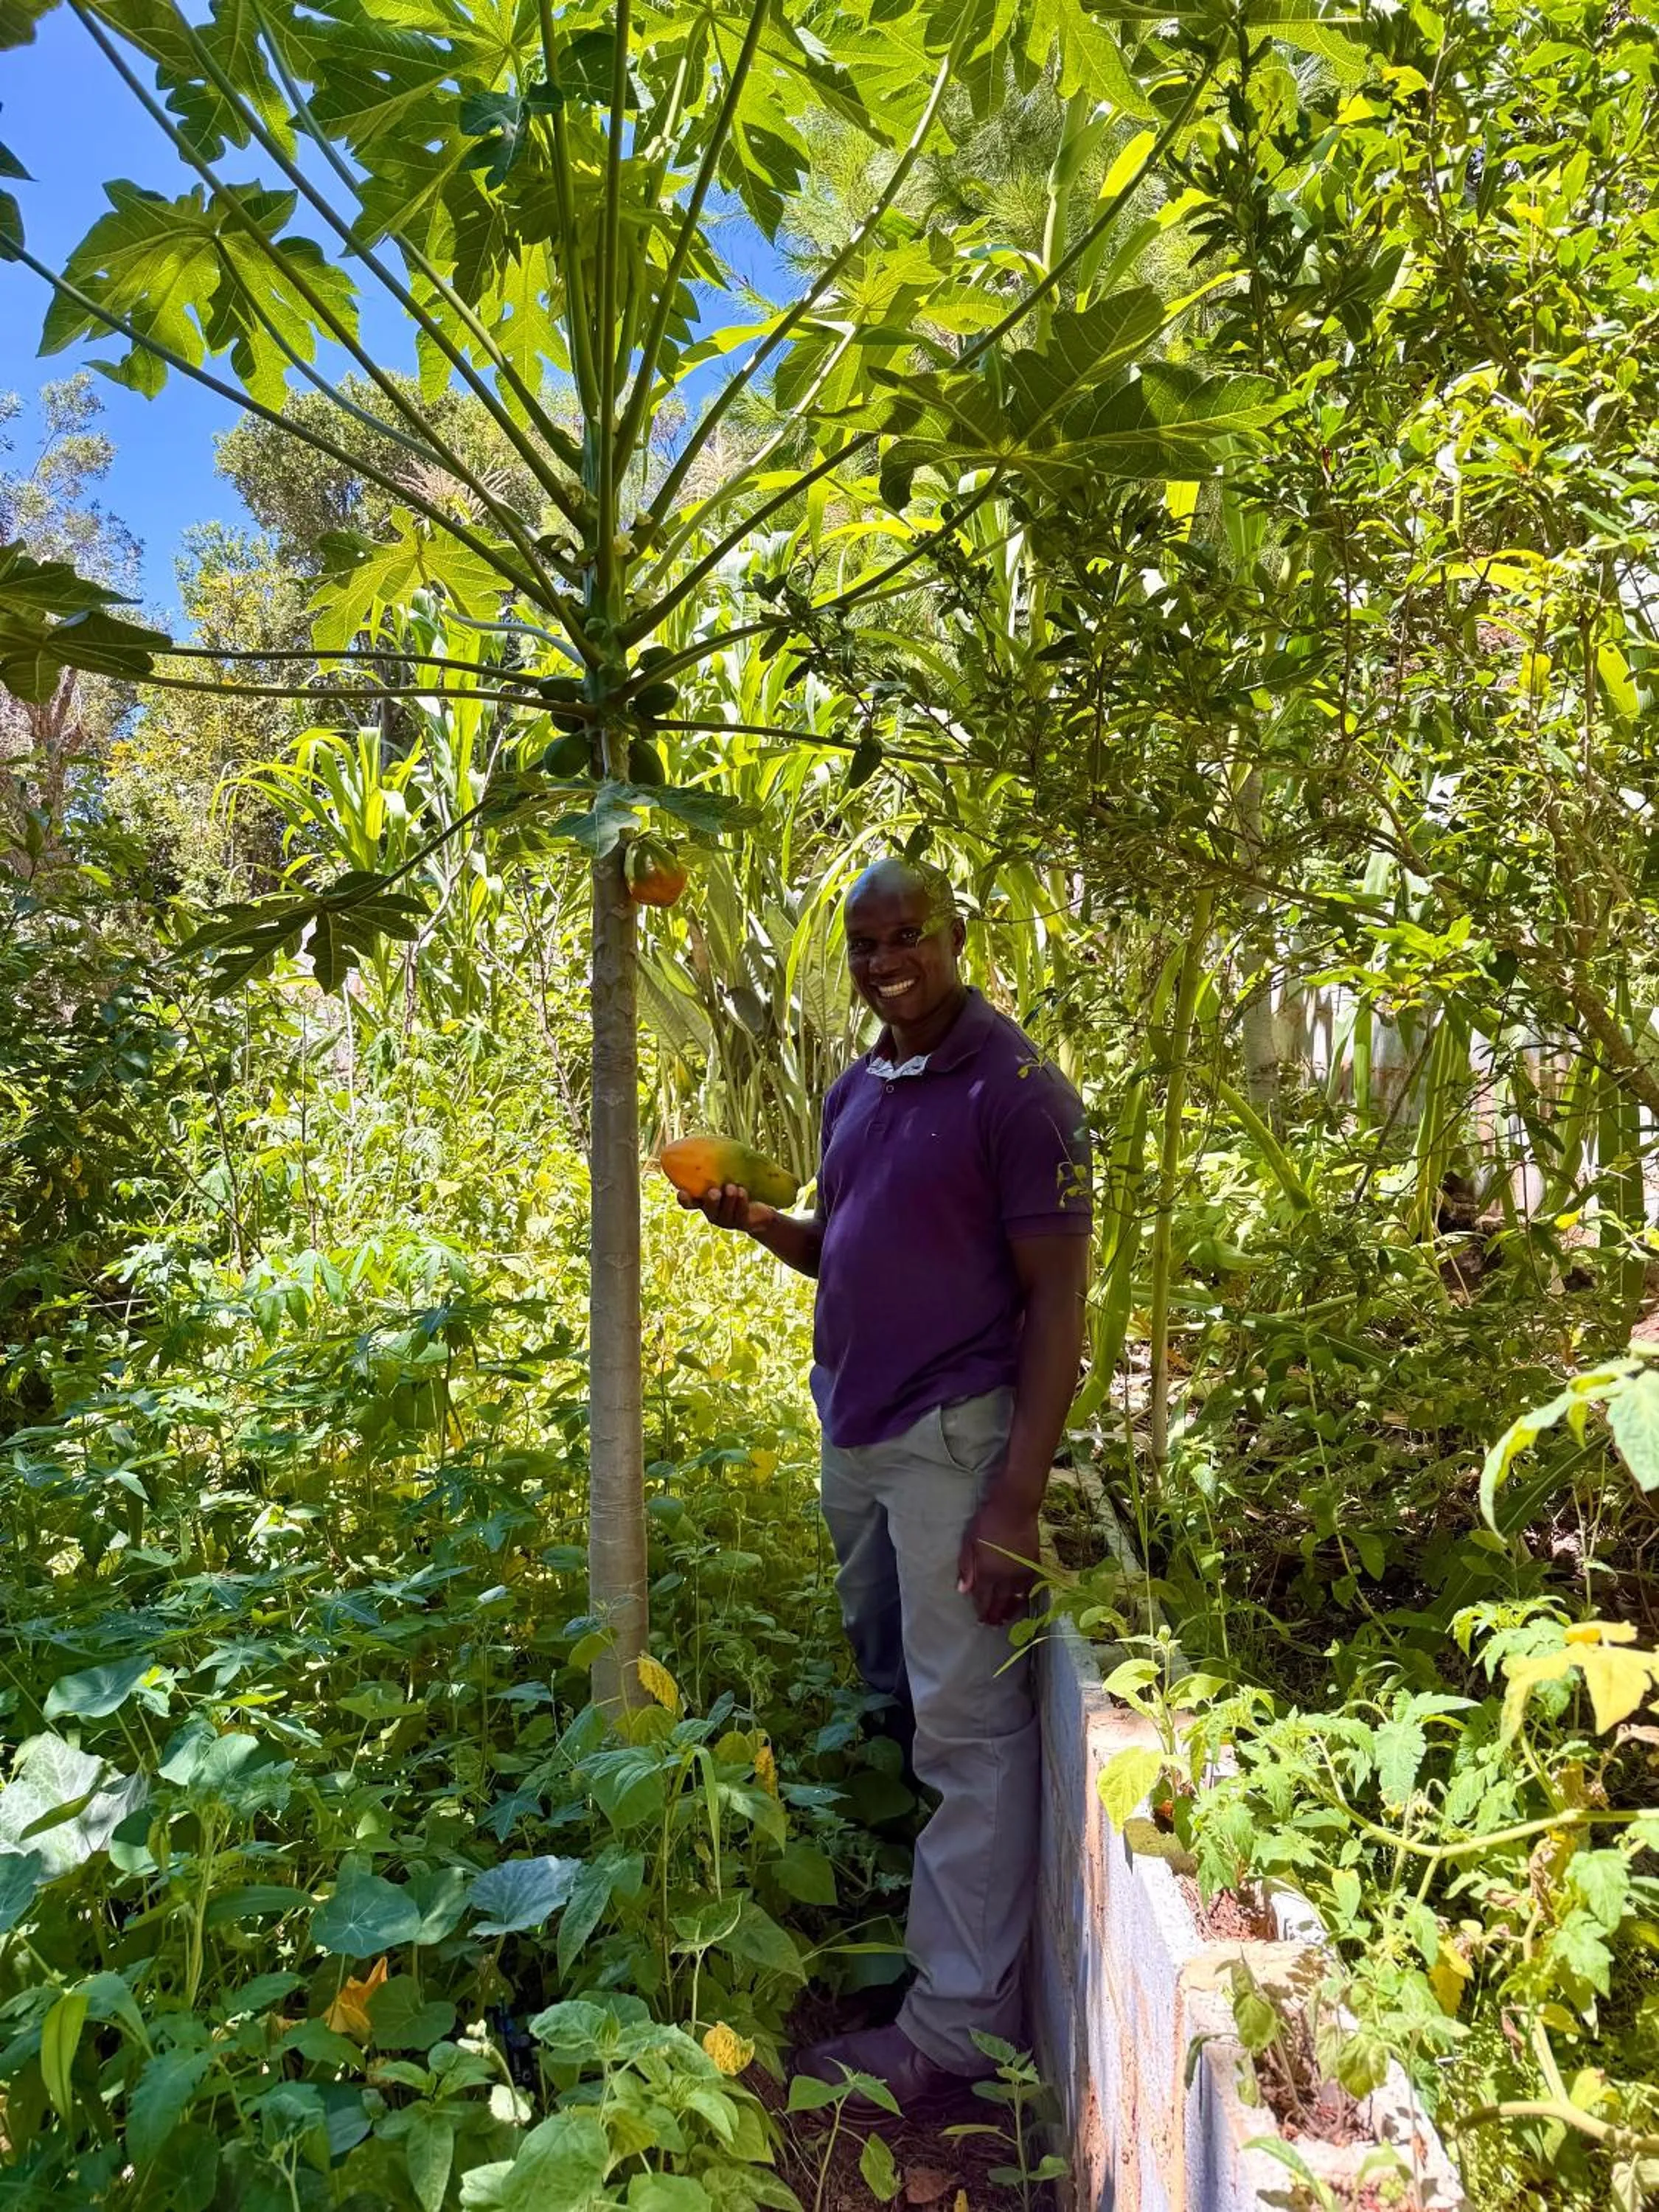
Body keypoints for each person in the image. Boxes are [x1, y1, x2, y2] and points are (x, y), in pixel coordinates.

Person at [681, 856, 1091, 2117]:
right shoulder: (857, 1090)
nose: (884, 961)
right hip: (854, 1436)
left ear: (956, 935)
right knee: (898, 1694)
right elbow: (845, 1250)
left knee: (968, 1730)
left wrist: (1012, 1502)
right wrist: (759, 1223)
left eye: (907, 935)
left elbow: (1057, 1304)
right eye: (864, 945)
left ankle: (956, 2034)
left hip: (950, 1444)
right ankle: (933, 1936)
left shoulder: (1020, 1096)